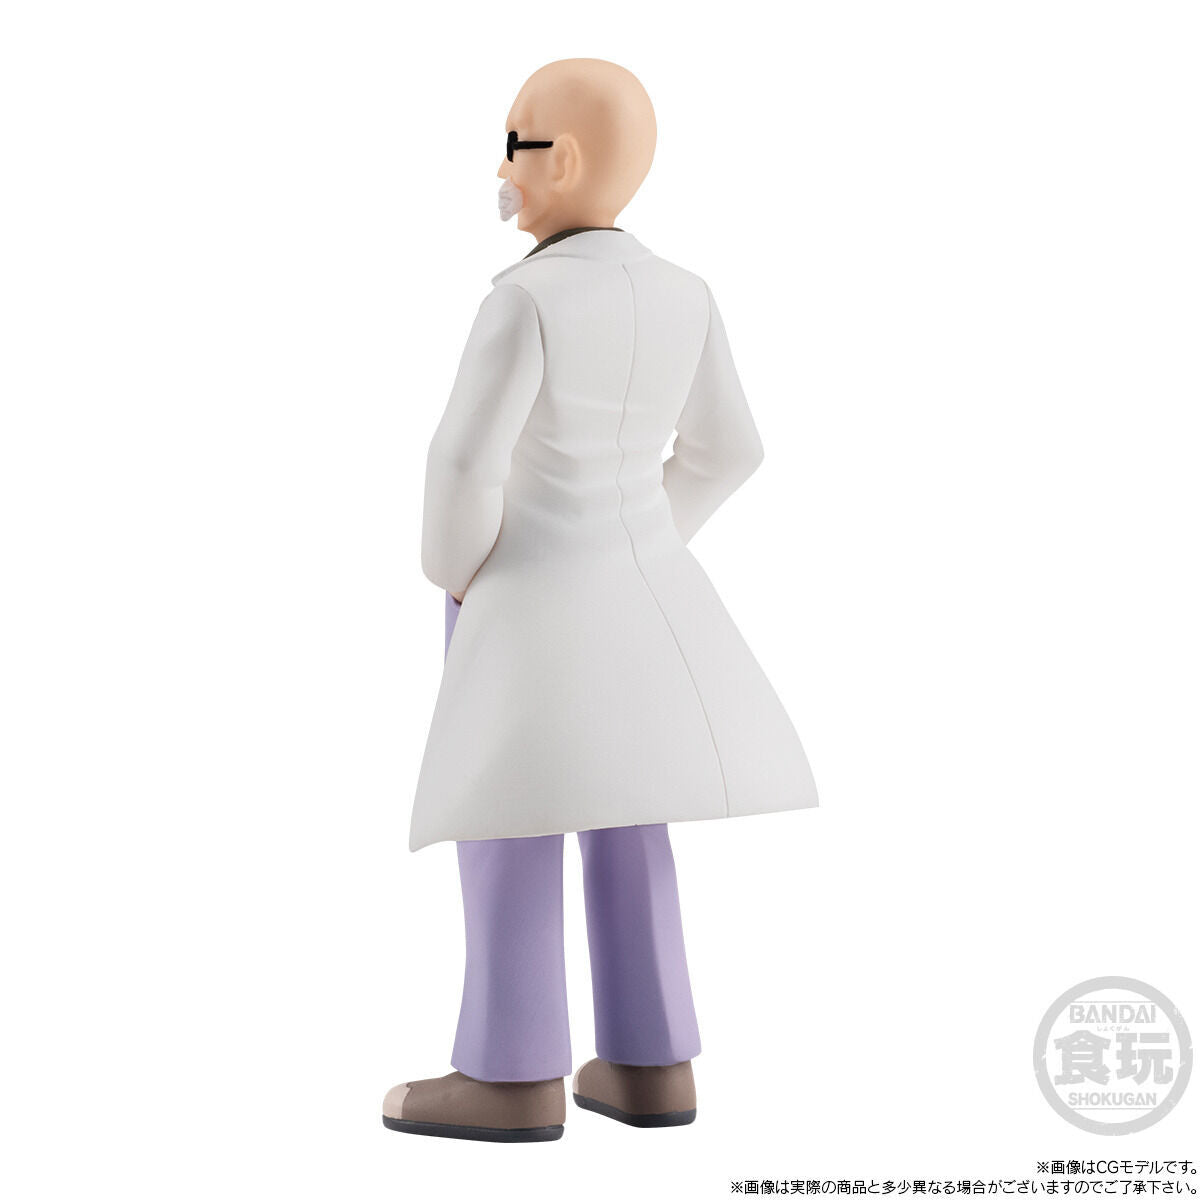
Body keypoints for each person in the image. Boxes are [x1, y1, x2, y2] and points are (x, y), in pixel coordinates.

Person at [382, 58, 818, 1143]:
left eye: (514, 143)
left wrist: (459, 569)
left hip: (524, 595)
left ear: (562, 160)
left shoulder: (525, 299)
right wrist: (642, 536)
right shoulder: (685, 293)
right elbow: (731, 449)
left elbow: (461, 461)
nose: (501, 168)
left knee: (506, 816)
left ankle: (510, 1073)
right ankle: (651, 1060)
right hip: (644, 596)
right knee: (631, 808)